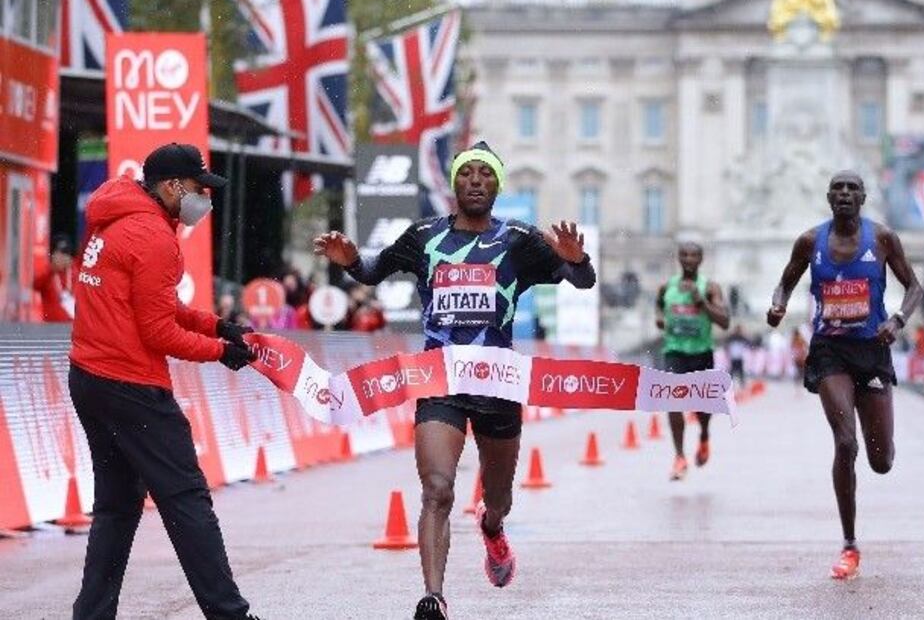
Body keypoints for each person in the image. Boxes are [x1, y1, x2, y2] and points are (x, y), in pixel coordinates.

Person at [313, 141, 595, 620]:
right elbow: (373, 270)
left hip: (498, 386)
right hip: (438, 381)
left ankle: (492, 528)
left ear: (498, 185)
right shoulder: (424, 236)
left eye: (487, 174)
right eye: (468, 174)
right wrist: (348, 260)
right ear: (454, 184)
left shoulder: (519, 240)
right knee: (437, 490)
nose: (477, 181)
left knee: (499, 497)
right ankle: (433, 598)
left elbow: (581, 281)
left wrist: (577, 259)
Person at [67, 143, 260, 620]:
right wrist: (222, 352)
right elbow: (158, 331)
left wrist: (216, 326)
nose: (204, 201)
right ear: (173, 187)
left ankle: (91, 615)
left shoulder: (115, 217)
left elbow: (153, 303)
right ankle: (229, 614)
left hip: (88, 377)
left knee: (117, 504)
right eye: (198, 190)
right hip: (131, 385)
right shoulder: (153, 235)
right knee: (186, 499)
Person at [766, 170, 923, 581]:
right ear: (829, 197)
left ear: (864, 198)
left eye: (853, 189)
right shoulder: (809, 242)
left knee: (882, 461)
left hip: (872, 350)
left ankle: (880, 447)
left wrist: (898, 319)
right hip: (830, 350)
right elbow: (783, 283)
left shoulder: (883, 239)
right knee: (846, 442)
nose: (845, 194)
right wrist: (777, 306)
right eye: (838, 188)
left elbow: (915, 287)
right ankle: (849, 544)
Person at [654, 242, 730, 481]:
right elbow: (657, 306)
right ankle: (679, 457)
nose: (689, 259)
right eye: (684, 255)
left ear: (701, 259)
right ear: (678, 258)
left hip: (702, 353)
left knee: (702, 407)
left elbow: (725, 321)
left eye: (694, 255)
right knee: (673, 401)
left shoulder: (710, 288)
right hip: (674, 352)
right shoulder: (667, 287)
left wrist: (702, 303)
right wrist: (660, 320)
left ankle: (704, 435)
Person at [34, 234, 76, 322]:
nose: (62, 258)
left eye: (65, 254)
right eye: (59, 254)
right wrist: (52, 269)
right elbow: (35, 285)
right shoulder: (48, 273)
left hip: (73, 326)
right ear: (52, 255)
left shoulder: (76, 273)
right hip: (52, 328)